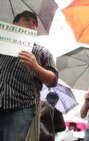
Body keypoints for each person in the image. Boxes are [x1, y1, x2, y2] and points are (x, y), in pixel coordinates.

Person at [0, 11, 58, 141]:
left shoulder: (42, 51)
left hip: (21, 108)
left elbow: (53, 80)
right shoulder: (2, 46)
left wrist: (35, 66)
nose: (32, 23)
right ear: (15, 23)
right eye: (27, 20)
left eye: (35, 23)